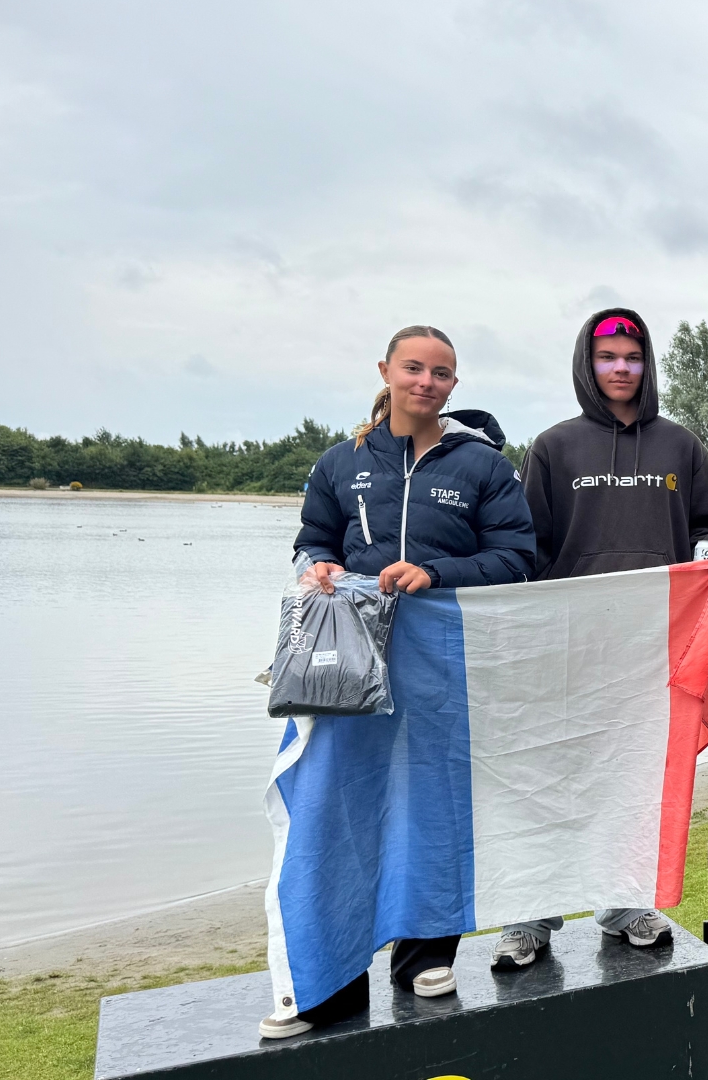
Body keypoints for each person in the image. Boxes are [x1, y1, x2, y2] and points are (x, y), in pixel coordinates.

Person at [262, 325, 537, 1039]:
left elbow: (517, 557)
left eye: (441, 372)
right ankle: (334, 969)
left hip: (445, 663)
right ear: (385, 370)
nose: (427, 382)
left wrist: (437, 572)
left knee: (433, 800)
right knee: (341, 803)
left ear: (454, 383)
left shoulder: (484, 466)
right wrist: (316, 566)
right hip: (349, 658)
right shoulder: (339, 461)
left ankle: (423, 954)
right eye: (413, 368)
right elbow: (313, 539)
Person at [491, 307, 708, 970]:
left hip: (652, 648)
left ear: (645, 365)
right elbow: (524, 548)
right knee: (549, 775)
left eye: (632, 358)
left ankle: (624, 902)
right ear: (588, 365)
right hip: (565, 646)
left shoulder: (680, 447)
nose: (621, 369)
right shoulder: (552, 447)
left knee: (631, 781)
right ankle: (530, 915)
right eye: (608, 358)